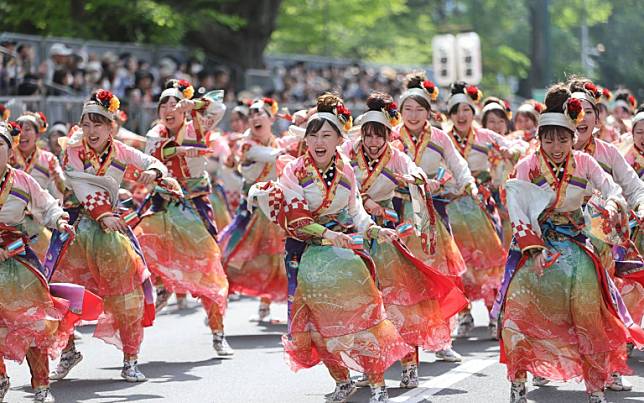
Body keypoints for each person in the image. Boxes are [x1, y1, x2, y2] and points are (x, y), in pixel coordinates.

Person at [249, 93, 411, 403]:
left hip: (345, 253)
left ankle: (378, 384)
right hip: (306, 251)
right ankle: (342, 379)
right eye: (313, 135)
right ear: (306, 140)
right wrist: (328, 234)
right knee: (314, 325)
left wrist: (376, 230)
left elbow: (357, 212)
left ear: (339, 139)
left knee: (363, 315)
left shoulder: (346, 169)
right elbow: (296, 218)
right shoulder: (292, 170)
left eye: (327, 135)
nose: (319, 141)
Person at [494, 83, 643, 403]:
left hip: (581, 240)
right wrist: (532, 248)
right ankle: (519, 381)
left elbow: (614, 187)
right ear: (540, 138)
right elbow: (517, 207)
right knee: (519, 308)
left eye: (562, 138)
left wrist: (616, 203)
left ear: (573, 137)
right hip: (537, 243)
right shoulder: (528, 165)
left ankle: (597, 383)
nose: (556, 144)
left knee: (591, 310)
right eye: (548, 138)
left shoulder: (590, 161)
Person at [343, 92, 468, 389]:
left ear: (389, 135)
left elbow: (416, 171)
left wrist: (415, 179)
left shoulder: (397, 155)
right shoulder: (348, 154)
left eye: (380, 136)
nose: (373, 142)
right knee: (361, 303)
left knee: (400, 302)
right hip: (354, 233)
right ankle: (369, 364)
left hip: (387, 235)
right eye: (368, 136)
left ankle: (410, 365)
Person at [49, 90, 168, 383]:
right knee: (61, 294)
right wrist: (103, 214)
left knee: (128, 296)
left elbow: (153, 162)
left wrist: (153, 172)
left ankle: (130, 360)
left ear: (110, 127)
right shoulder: (73, 151)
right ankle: (68, 351)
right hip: (78, 229)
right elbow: (79, 186)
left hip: (112, 233)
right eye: (86, 125)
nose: (91, 131)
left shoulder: (121, 151)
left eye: (98, 124)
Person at [136, 80, 232, 356]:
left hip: (195, 200)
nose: (169, 108)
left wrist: (196, 104)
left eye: (174, 103)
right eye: (163, 104)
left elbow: (220, 106)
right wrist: (178, 151)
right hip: (165, 200)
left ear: (184, 108)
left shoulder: (197, 125)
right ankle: (163, 285)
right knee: (145, 246)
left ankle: (218, 332)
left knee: (207, 264)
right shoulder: (155, 134)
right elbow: (153, 156)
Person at [0, 120, 85, 403]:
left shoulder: (22, 181)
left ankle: (40, 386)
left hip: (16, 258)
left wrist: (60, 219)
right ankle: (0, 378)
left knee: (33, 324)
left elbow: (47, 204)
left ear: (9, 152)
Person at [392, 72, 470, 361]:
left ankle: (440, 340)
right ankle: (398, 339)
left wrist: (467, 183)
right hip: (396, 211)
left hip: (430, 213)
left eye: (419, 109)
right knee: (398, 278)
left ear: (429, 112)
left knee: (438, 274)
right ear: (399, 112)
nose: (413, 115)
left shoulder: (439, 137)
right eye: (407, 109)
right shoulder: (388, 136)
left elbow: (457, 164)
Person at [444, 81, 523, 338]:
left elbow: (516, 148)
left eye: (466, 109)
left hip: (480, 206)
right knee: (459, 261)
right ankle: (464, 314)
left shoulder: (486, 137)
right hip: (452, 206)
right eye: (456, 111)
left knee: (489, 259)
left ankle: (493, 313)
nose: (461, 115)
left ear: (473, 111)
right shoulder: (442, 138)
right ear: (450, 114)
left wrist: (509, 152)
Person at [219, 97, 299, 321]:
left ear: (271, 119)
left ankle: (267, 300)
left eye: (259, 113)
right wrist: (298, 144)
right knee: (235, 257)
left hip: (275, 209)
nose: (254, 117)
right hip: (253, 210)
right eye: (251, 114)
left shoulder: (277, 142)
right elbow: (272, 157)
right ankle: (219, 299)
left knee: (278, 259)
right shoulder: (248, 145)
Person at [11, 112, 66, 261]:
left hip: (37, 221)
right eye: (19, 129)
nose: (22, 133)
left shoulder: (48, 159)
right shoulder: (7, 156)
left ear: (37, 134)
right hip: (9, 221)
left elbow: (61, 186)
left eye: (27, 129)